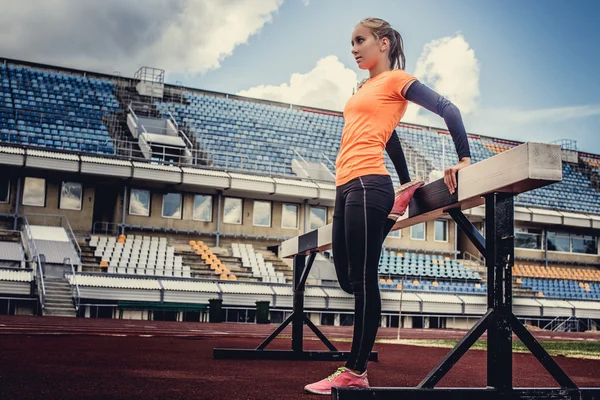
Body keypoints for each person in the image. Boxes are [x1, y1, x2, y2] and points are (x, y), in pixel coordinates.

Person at [304, 17, 472, 396]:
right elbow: (392, 136)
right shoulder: (366, 87)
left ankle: (355, 371)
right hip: (344, 186)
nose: (353, 48)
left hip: (367, 183)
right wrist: (406, 179)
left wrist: (464, 158)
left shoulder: (397, 80)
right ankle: (396, 205)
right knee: (346, 279)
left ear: (383, 43)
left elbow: (448, 108)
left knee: (363, 280)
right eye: (351, 42)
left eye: (359, 40)